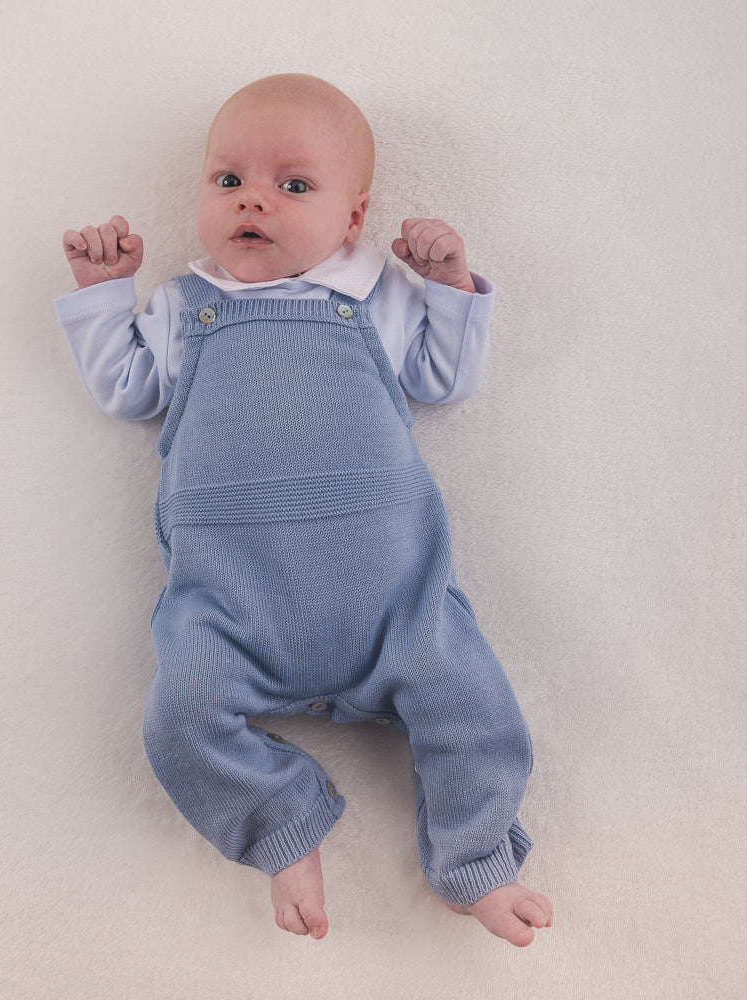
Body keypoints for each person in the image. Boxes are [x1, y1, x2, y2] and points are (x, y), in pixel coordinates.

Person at [55, 73, 552, 946]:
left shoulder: (373, 293)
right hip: (229, 607)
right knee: (178, 718)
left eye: (293, 186)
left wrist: (447, 286)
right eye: (227, 180)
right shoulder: (185, 304)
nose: (254, 200)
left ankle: (476, 860)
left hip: (394, 600)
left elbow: (444, 378)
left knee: (474, 705)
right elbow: (128, 388)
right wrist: (105, 297)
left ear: (353, 220)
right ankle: (281, 825)